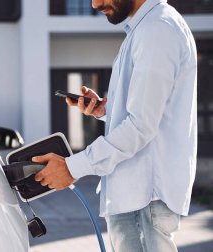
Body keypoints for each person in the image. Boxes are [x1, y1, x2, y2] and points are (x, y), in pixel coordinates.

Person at [33, 0, 197, 251]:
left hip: (143, 198)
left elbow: (141, 126)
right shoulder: (146, 29)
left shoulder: (156, 30)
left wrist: (72, 167)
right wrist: (104, 110)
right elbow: (149, 115)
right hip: (138, 197)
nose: (95, 3)